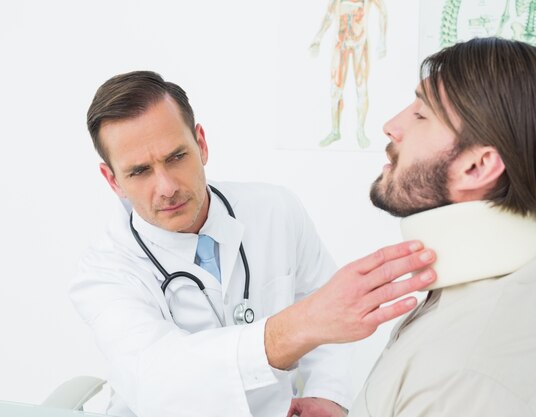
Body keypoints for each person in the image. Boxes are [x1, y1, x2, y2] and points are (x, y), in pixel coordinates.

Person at [69, 71, 437, 417]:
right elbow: (156, 379)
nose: (166, 187)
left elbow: (330, 319)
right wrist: (296, 327)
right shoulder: (103, 272)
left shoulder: (276, 210)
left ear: (201, 143)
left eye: (176, 157)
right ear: (113, 180)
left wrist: (327, 393)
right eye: (139, 171)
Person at [349, 37, 536, 416]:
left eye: (421, 115)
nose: (390, 126)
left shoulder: (469, 375)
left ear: (477, 167)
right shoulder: (488, 309)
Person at [309, 0, 387, 149]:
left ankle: (360, 130)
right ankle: (335, 130)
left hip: (360, 44)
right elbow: (329, 14)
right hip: (341, 43)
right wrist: (317, 38)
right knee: (336, 88)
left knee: (361, 87)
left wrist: (382, 40)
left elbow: (383, 10)